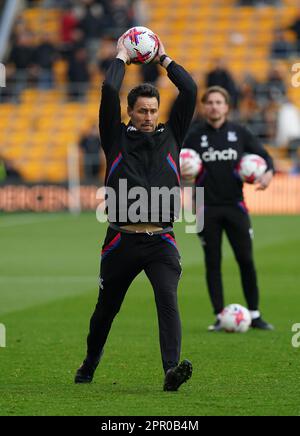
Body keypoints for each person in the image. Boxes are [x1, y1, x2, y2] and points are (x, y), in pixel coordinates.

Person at [74, 35, 197, 391]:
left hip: (161, 239)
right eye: (141, 110)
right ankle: (90, 362)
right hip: (119, 241)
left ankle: (171, 371)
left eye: (152, 110)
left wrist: (162, 58)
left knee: (167, 299)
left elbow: (189, 90)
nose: (147, 116)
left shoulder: (172, 134)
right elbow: (109, 91)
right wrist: (121, 58)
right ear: (130, 112)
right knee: (105, 313)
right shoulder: (113, 136)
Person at [183, 86, 274, 332]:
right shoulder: (192, 136)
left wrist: (267, 174)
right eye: (209, 102)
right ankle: (219, 315)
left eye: (218, 102)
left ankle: (254, 314)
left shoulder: (240, 133)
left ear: (226, 106)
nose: (214, 106)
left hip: (235, 206)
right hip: (205, 208)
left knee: (245, 259)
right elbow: (173, 161)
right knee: (212, 262)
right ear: (204, 106)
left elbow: (267, 158)